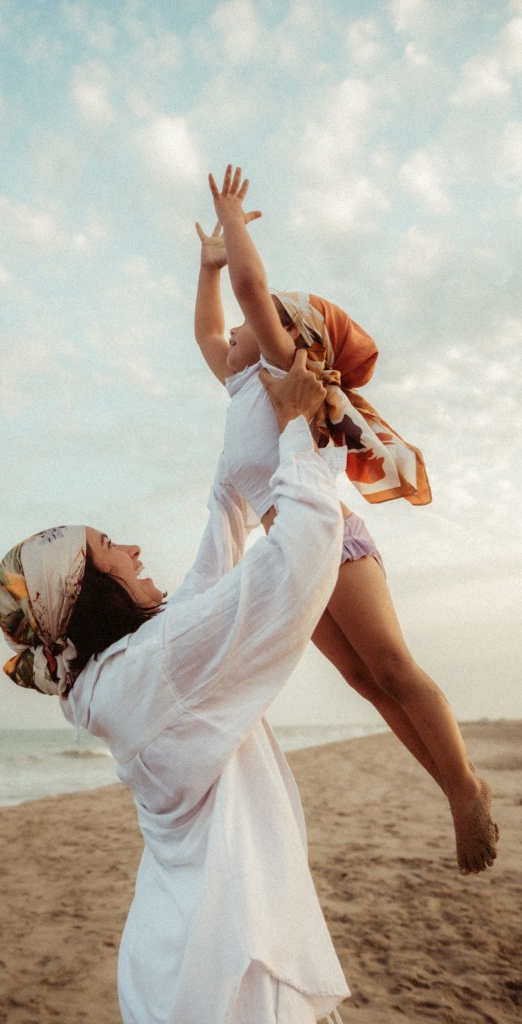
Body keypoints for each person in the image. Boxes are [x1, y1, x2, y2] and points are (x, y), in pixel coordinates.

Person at [0, 349, 351, 1023]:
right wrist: (296, 429)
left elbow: (218, 544)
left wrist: (256, 407)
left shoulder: (111, 674)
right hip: (229, 975)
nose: (133, 549)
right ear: (88, 593)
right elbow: (302, 552)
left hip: (176, 953)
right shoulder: (152, 668)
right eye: (110, 547)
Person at [194, 164, 498, 876]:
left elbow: (250, 291)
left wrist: (232, 221)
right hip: (292, 555)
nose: (235, 329)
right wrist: (207, 267)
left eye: (253, 323)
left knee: (391, 665)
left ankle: (464, 788)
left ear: (290, 336)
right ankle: (454, 787)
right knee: (363, 679)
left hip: (330, 537)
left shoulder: (281, 367)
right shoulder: (242, 383)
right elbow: (209, 329)